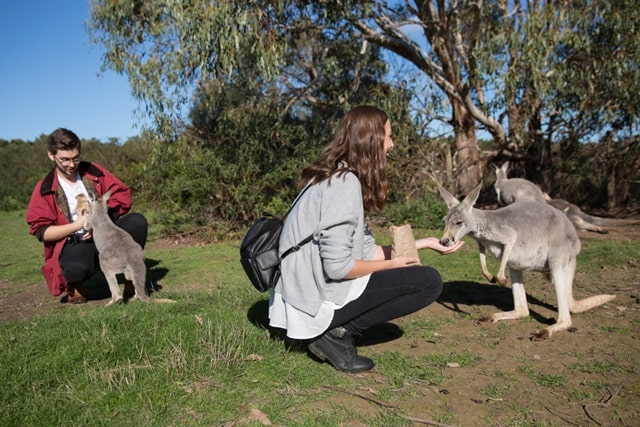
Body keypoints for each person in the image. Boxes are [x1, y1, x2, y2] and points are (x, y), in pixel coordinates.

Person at [269, 105, 465, 373]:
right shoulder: (343, 185)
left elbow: (365, 252)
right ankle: (332, 334)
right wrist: (391, 266)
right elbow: (338, 267)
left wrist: (426, 243)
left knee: (415, 274)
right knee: (427, 282)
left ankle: (331, 330)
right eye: (389, 136)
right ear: (371, 141)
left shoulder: (332, 175)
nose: (391, 145)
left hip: (301, 290)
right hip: (310, 297)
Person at [26, 128, 148, 304]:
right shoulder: (45, 187)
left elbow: (122, 196)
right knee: (76, 269)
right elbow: (42, 232)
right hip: (75, 240)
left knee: (137, 222)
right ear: (51, 156)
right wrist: (78, 225)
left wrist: (100, 222)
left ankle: (131, 279)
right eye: (65, 160)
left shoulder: (92, 171)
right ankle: (76, 285)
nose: (71, 164)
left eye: (76, 158)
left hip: (105, 232)